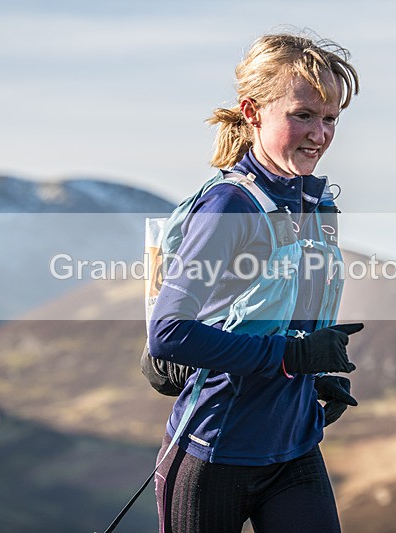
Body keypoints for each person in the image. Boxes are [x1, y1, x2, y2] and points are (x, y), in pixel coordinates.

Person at [147, 31, 361, 532]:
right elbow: (168, 333)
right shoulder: (230, 206)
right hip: (211, 453)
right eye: (303, 115)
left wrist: (313, 377)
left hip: (294, 450)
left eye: (330, 119)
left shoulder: (318, 207)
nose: (320, 134)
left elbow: (276, 321)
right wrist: (290, 358)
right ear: (252, 111)